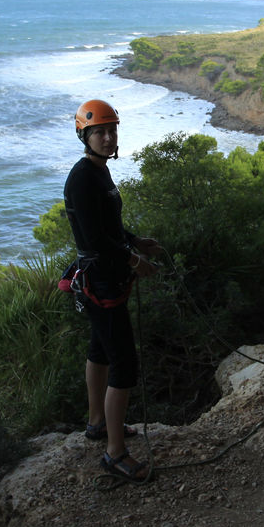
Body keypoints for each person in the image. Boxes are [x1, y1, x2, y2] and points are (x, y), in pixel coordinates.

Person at [63, 98, 162, 482]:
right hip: (101, 280)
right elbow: (96, 240)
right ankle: (114, 452)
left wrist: (136, 241)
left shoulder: (99, 172)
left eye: (111, 131)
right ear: (84, 136)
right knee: (123, 362)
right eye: (99, 132)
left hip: (105, 275)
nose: (107, 138)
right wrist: (136, 262)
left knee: (100, 350)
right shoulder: (83, 179)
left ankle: (97, 423)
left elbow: (109, 228)